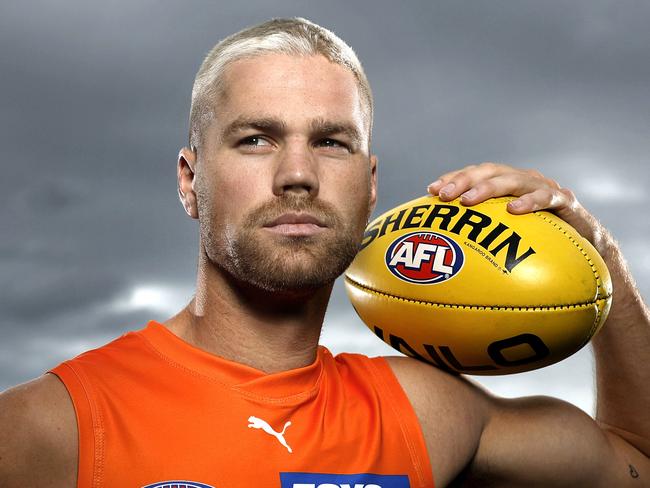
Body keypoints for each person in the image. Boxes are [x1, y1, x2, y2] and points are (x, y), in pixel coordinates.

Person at [0, 17, 648, 488]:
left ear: (369, 190)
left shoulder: (427, 412)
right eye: (256, 138)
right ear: (189, 180)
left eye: (332, 143)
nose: (298, 175)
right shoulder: (51, 427)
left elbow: (636, 462)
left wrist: (595, 248)